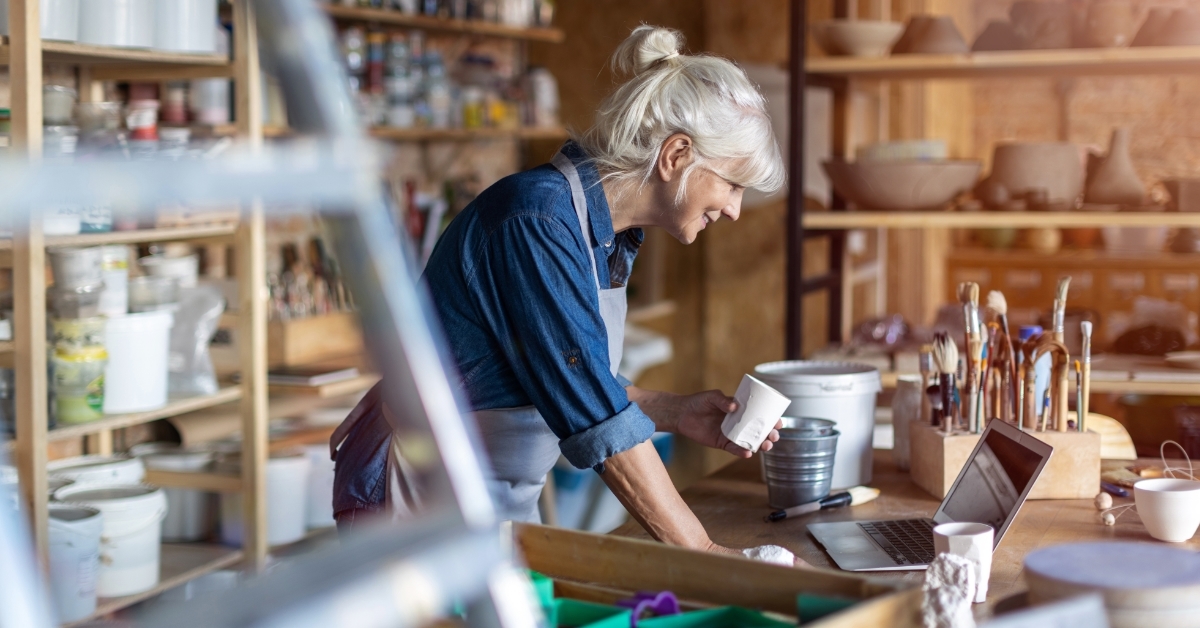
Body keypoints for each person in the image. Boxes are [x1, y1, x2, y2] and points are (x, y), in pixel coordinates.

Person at [331, 25, 788, 559]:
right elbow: (593, 414)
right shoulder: (536, 222)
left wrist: (678, 411)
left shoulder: (607, 237)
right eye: (731, 185)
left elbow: (566, 376)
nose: (733, 209)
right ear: (676, 155)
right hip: (411, 496)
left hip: (487, 502)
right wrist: (708, 556)